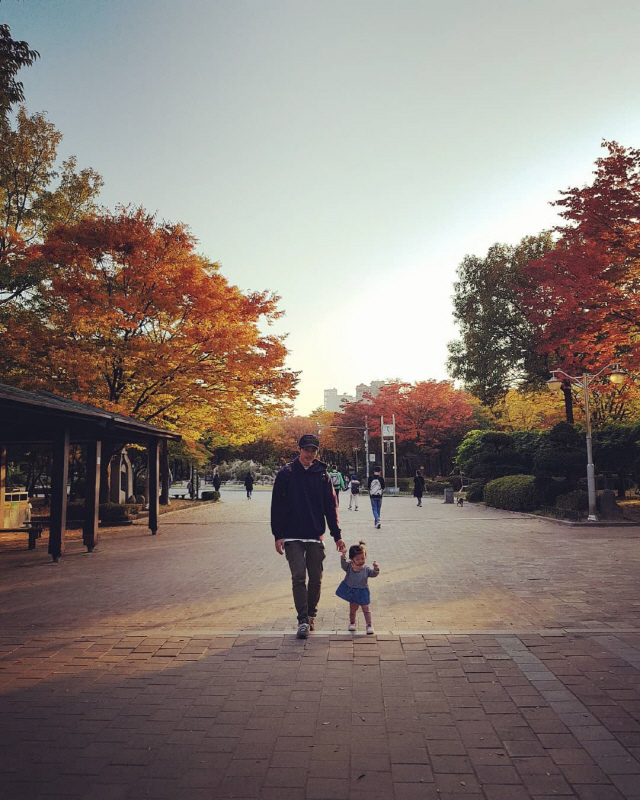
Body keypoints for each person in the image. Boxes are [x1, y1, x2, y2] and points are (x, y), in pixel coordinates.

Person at [271, 434, 346, 639]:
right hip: (292, 534)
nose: (309, 454)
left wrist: (337, 535)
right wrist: (278, 535)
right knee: (298, 576)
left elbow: (331, 507)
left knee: (316, 577)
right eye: (306, 449)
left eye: (313, 450)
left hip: (314, 534)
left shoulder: (322, 475)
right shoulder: (286, 473)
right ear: (299, 450)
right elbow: (276, 506)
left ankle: (312, 613)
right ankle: (302, 620)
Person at [335, 540, 380, 634]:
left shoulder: (366, 569)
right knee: (353, 609)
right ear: (352, 559)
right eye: (358, 559)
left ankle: (369, 624)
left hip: (363, 591)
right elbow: (343, 565)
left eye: (363, 558)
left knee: (366, 609)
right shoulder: (349, 567)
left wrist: (376, 569)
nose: (361, 561)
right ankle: (352, 623)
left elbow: (373, 574)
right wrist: (343, 555)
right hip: (352, 591)